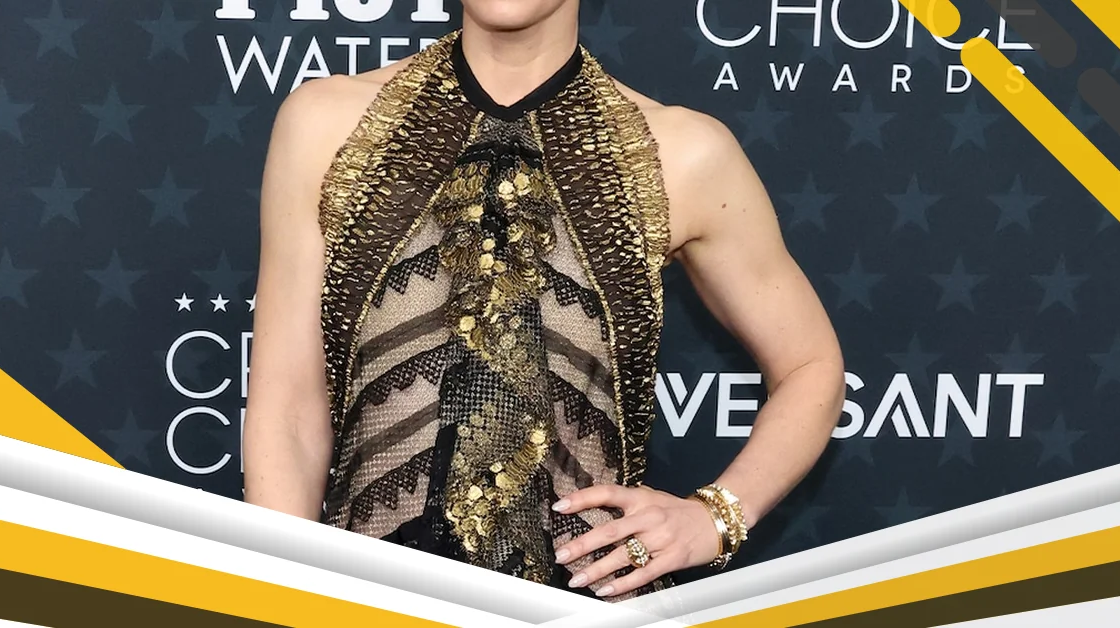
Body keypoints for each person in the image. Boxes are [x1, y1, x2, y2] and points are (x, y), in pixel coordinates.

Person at [242, 0, 845, 601]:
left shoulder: (684, 152)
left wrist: (716, 516)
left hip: (585, 604)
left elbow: (810, 366)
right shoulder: (326, 123)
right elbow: (288, 405)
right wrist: (282, 598)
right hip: (368, 602)